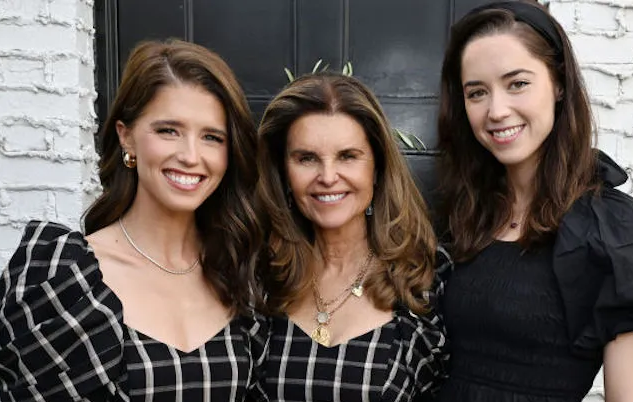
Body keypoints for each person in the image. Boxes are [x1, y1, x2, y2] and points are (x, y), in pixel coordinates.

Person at [0, 39, 267, 401]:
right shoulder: (65, 280)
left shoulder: (241, 274)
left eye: (211, 137)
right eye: (168, 130)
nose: (191, 156)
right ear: (127, 137)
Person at [436, 1, 633, 401]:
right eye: (477, 92)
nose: (497, 110)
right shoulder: (460, 211)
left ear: (559, 83)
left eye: (517, 84)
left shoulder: (612, 230)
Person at [255, 71, 450, 401]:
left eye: (347, 156)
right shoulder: (259, 277)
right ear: (284, 173)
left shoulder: (425, 276)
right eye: (306, 158)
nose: (328, 177)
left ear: (377, 168)